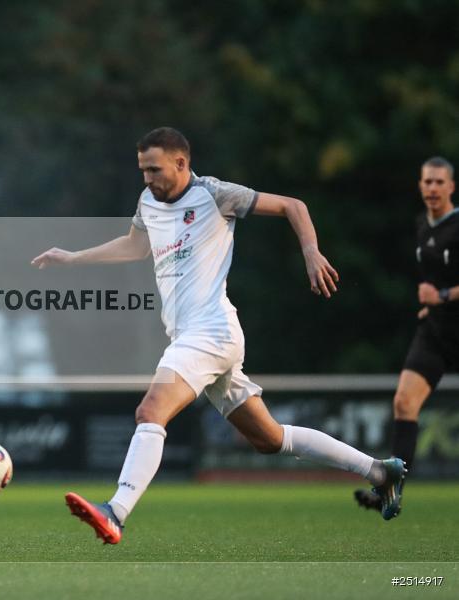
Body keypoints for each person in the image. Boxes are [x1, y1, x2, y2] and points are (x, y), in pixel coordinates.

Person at [32, 127, 406, 544]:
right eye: (142, 170)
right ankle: (379, 470)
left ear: (181, 163)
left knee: (150, 412)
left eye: (154, 169)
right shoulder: (148, 202)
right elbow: (134, 246)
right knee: (270, 439)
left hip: (210, 331)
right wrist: (73, 258)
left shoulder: (214, 193)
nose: (147, 179)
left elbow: (292, 206)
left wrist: (310, 250)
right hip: (198, 338)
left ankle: (116, 511)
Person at [355, 156, 457, 511]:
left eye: (439, 182)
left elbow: (444, 286)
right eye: (427, 181)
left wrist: (444, 295)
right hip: (437, 331)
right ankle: (390, 492)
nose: (432, 188)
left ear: (451, 187)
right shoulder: (423, 225)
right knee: (404, 403)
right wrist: (434, 305)